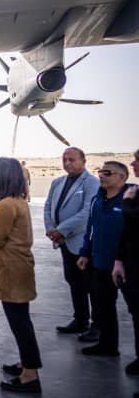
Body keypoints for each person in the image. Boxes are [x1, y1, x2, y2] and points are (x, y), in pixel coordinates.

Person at [0, 157, 41, 393]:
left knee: (20, 324)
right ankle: (26, 363)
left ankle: (30, 375)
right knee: (22, 321)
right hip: (19, 267)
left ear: (3, 176)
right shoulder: (19, 201)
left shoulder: (6, 204)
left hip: (12, 270)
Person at [43, 147, 101, 341]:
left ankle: (97, 325)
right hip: (64, 243)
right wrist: (52, 229)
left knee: (91, 286)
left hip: (81, 243)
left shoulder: (91, 182)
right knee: (73, 282)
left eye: (72, 160)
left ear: (83, 162)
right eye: (64, 159)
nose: (67, 163)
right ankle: (80, 320)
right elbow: (48, 207)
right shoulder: (57, 182)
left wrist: (61, 231)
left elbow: (87, 213)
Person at [76, 161, 130, 357]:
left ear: (122, 177)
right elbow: (90, 229)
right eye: (100, 171)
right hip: (100, 263)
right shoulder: (97, 201)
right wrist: (84, 252)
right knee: (104, 306)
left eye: (108, 172)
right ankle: (108, 346)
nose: (101, 175)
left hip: (126, 265)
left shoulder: (131, 201)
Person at [112, 150, 139, 375]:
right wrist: (119, 260)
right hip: (131, 265)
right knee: (136, 314)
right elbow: (127, 232)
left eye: (138, 161)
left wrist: (128, 205)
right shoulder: (135, 192)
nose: (133, 163)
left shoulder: (131, 196)